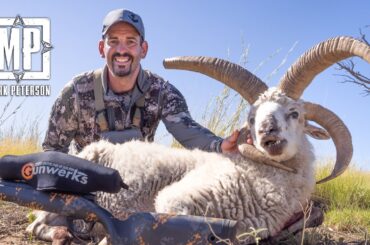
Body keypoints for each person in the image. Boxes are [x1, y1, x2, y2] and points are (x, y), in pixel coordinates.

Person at [42, 8, 240, 154]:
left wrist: (220, 146)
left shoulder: (162, 91)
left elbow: (186, 130)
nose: (121, 50)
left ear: (143, 49)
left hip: (139, 182)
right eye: (113, 42)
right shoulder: (76, 91)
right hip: (86, 184)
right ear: (102, 48)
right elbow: (53, 151)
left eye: (130, 41)